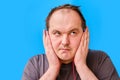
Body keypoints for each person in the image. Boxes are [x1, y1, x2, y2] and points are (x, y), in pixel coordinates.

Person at [22, 4, 119, 80]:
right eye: (57, 33)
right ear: (47, 36)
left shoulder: (100, 60)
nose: (65, 42)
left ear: (84, 34)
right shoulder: (35, 63)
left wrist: (81, 66)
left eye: (73, 33)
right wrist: (53, 69)